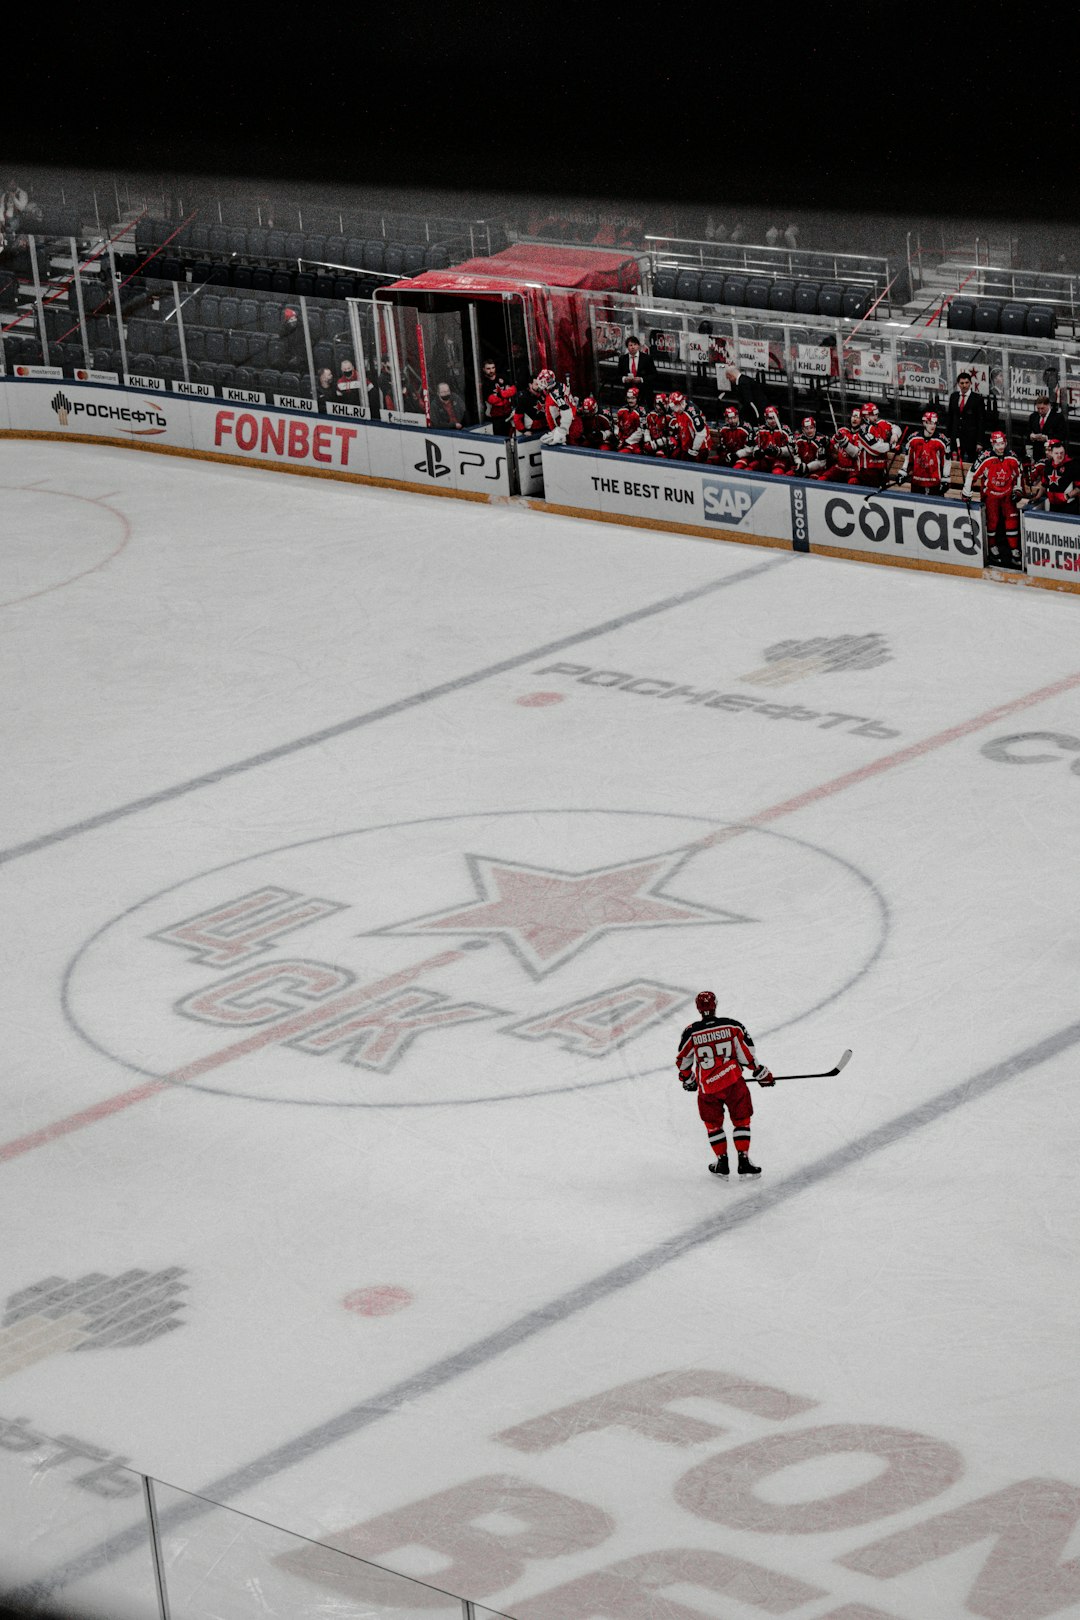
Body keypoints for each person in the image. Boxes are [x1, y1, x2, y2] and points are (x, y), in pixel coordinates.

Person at [676, 991, 774, 1177]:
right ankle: (743, 1160)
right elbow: (747, 1054)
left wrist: (688, 1080)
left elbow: (683, 1062)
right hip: (734, 1082)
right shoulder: (732, 1026)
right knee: (741, 1120)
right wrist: (760, 1073)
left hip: (708, 1088)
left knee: (713, 1124)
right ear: (715, 1005)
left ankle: (722, 1162)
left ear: (698, 1008)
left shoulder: (691, 1032)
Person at [963, 429, 1024, 569]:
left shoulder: (1012, 457)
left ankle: (1014, 550)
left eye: (1002, 443)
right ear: (992, 445)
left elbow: (1018, 474)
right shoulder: (985, 457)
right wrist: (967, 492)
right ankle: (992, 546)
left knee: (1012, 519)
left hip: (1007, 494)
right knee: (993, 521)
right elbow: (972, 474)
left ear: (1006, 442)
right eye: (997, 445)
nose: (1000, 447)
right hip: (990, 495)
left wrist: (1018, 489)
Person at [900, 409, 952, 496]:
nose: (933, 426)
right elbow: (908, 459)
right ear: (924, 423)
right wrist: (903, 472)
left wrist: (945, 479)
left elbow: (947, 460)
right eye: (931, 423)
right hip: (917, 482)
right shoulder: (913, 439)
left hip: (934, 483)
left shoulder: (942, 440)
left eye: (935, 423)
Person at [945, 371, 986, 472]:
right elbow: (950, 417)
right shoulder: (954, 396)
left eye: (967, 383)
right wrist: (949, 436)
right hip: (956, 437)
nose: (964, 385)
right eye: (962, 383)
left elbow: (981, 421)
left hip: (971, 438)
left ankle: (972, 484)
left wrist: (979, 441)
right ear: (958, 384)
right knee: (955, 463)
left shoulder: (977, 399)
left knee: (973, 463)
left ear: (970, 383)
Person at [1025, 438, 1080, 514]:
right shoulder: (1048, 465)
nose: (1059, 455)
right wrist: (1037, 497)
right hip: (1053, 506)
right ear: (1052, 453)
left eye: (1061, 453)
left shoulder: (1072, 465)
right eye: (1056, 453)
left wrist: (1067, 496)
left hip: (1069, 506)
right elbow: (1044, 484)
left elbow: (1079, 487)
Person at [1024, 391, 1067, 463]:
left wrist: (1047, 438)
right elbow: (1027, 431)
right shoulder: (1033, 416)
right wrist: (1031, 436)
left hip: (1052, 452)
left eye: (1042, 408)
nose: (1040, 411)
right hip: (1037, 452)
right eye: (1038, 408)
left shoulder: (1057, 417)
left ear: (1048, 405)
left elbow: (1062, 435)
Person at [480, 359, 517, 436]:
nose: (491, 370)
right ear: (483, 369)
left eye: (493, 368)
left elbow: (513, 389)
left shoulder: (502, 377)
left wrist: (500, 395)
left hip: (508, 414)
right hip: (495, 417)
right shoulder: (485, 384)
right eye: (488, 368)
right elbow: (492, 400)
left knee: (512, 436)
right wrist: (505, 394)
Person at [619, 335, 658, 403]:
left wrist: (641, 379)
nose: (633, 347)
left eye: (635, 344)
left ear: (638, 346)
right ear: (627, 347)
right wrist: (624, 379)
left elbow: (654, 374)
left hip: (644, 391)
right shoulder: (623, 359)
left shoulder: (647, 358)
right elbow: (617, 375)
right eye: (630, 345)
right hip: (628, 392)